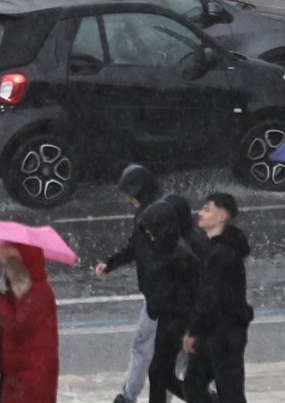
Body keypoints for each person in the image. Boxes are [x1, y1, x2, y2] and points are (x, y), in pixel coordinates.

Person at [94, 164, 163, 403]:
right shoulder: (149, 214)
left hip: (161, 297)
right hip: (165, 295)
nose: (127, 198)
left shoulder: (152, 218)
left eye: (130, 192)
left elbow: (152, 253)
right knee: (176, 352)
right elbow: (136, 248)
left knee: (144, 348)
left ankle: (128, 397)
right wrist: (111, 263)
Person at [182, 192, 253, 403]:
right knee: (194, 385)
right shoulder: (217, 248)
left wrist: (194, 331)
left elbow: (212, 297)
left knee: (229, 391)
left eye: (207, 209)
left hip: (224, 333)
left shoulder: (223, 253)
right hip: (215, 330)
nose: (200, 213)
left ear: (222, 216)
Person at [137, 199, 201, 403]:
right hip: (170, 323)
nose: (148, 234)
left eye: (151, 229)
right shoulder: (167, 249)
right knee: (158, 373)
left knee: (160, 373)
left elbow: (189, 295)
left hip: (178, 324)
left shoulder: (178, 255)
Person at [0, 241, 58, 403]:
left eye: (7, 264)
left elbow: (19, 328)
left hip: (31, 379)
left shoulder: (38, 293)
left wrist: (0, 303)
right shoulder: (20, 291)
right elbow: (22, 328)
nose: (5, 270)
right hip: (18, 376)